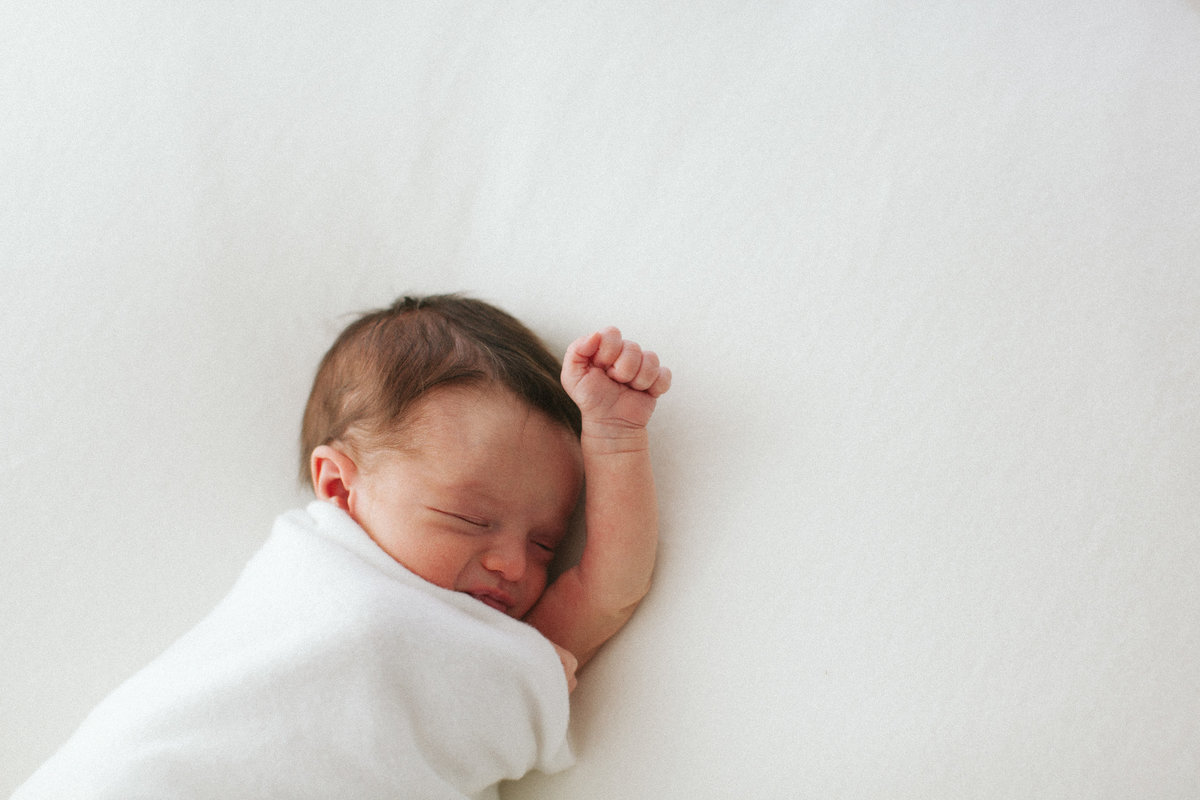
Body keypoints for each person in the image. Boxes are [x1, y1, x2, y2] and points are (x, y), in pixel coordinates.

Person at [13, 294, 670, 800]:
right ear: (339, 487)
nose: (513, 564)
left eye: (545, 541)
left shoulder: (500, 650)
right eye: (469, 519)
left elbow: (605, 591)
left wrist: (614, 439)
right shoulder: (310, 582)